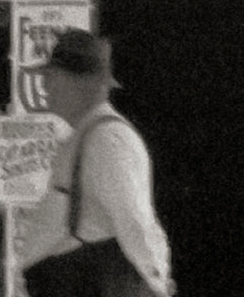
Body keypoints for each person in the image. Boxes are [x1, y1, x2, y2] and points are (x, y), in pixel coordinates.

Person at [20, 27, 175, 297]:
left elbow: (133, 220)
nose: (45, 88)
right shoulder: (87, 135)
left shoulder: (108, 139)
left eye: (52, 78)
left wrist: (156, 283)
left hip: (86, 283)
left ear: (80, 82)